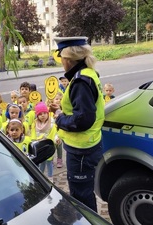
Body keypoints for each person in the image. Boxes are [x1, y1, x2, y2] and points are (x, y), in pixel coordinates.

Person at [53, 36, 105, 212]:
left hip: (81, 150)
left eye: (60, 57)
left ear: (67, 59)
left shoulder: (80, 81)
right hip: (89, 145)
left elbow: (83, 119)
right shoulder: (88, 74)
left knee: (81, 196)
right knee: (83, 192)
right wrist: (62, 109)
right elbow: (83, 109)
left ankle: (87, 221)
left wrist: (60, 118)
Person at [31, 102, 59, 182]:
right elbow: (33, 134)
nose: (43, 115)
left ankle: (50, 177)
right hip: (40, 146)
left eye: (44, 113)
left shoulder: (51, 124)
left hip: (48, 146)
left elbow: (54, 133)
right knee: (41, 162)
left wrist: (56, 139)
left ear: (47, 113)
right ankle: (41, 175)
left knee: (49, 162)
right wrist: (34, 141)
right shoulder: (35, 124)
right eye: (40, 114)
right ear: (37, 115)